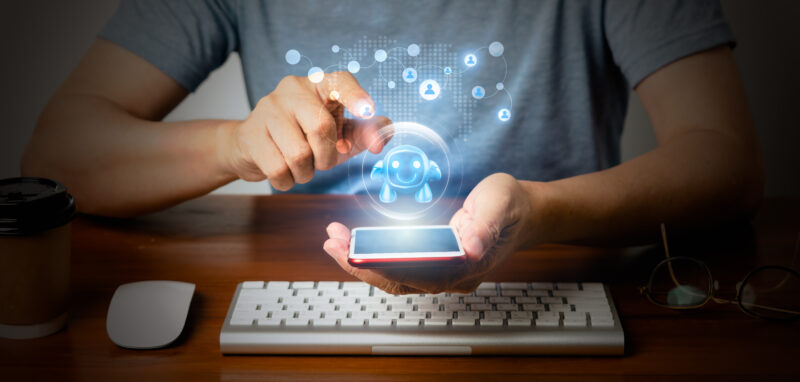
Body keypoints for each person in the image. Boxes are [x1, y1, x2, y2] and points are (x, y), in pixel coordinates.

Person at [22, 0, 763, 294]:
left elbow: (726, 160)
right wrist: (235, 147)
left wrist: (538, 210)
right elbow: (59, 157)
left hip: (551, 275)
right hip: (312, 290)